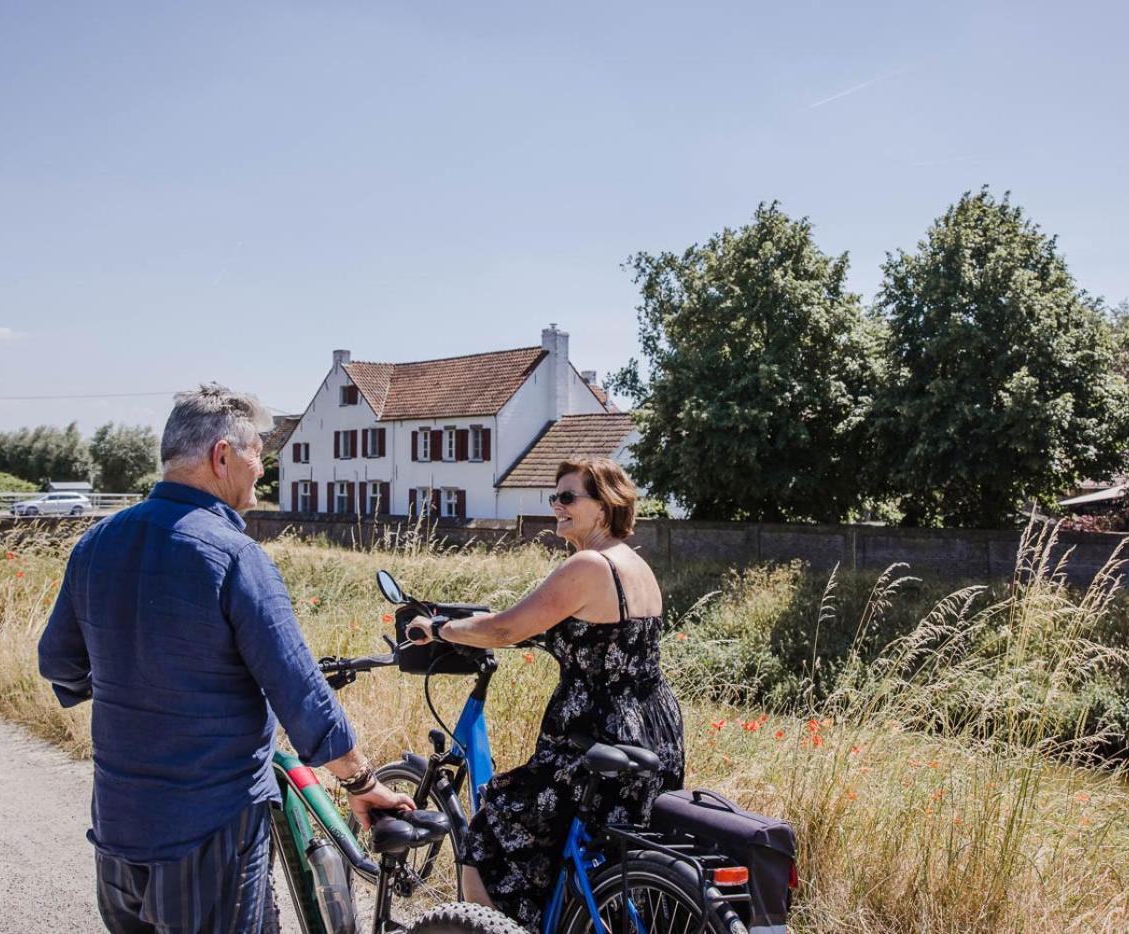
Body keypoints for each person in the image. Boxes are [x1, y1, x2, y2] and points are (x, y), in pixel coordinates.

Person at [39, 384, 412, 934]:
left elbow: (59, 664)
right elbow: (300, 693)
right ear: (221, 456)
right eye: (257, 453)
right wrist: (362, 784)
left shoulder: (96, 543)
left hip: (118, 824)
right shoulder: (235, 556)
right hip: (209, 829)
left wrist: (139, 681)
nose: (263, 469)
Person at [407, 457, 684, 929]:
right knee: (589, 854)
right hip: (652, 732)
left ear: (605, 506)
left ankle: (486, 929)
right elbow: (597, 637)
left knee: (489, 829)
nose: (557, 505)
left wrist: (439, 627)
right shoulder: (634, 564)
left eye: (569, 497)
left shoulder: (588, 565)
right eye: (554, 497)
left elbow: (506, 627)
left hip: (594, 738)